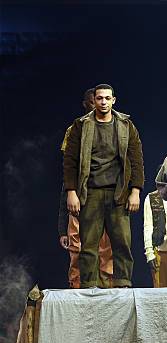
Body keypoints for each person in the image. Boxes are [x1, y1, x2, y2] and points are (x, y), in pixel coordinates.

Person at [63, 83, 144, 288]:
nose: (103, 102)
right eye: (99, 98)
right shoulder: (81, 126)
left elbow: (136, 159)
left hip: (118, 193)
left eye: (107, 98)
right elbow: (70, 161)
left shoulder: (125, 125)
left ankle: (123, 283)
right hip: (90, 192)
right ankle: (89, 285)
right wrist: (71, 192)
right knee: (88, 244)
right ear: (94, 100)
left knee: (122, 243)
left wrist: (135, 191)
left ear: (113, 100)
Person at [58, 87, 113, 288]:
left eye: (103, 100)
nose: (98, 105)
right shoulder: (75, 130)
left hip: (105, 198)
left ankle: (108, 294)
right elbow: (68, 176)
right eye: (93, 102)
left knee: (105, 251)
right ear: (87, 105)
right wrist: (62, 225)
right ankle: (78, 294)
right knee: (78, 253)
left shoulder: (113, 127)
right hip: (81, 201)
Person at [143, 188, 167, 287]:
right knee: (162, 293)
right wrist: (149, 253)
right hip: (159, 251)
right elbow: (148, 226)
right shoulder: (152, 198)